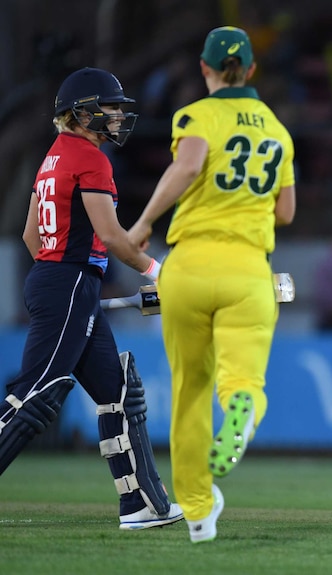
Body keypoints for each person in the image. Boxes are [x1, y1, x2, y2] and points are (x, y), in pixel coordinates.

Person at [128, 26, 297, 543]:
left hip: (190, 267)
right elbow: (286, 212)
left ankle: (199, 513)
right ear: (250, 70)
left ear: (204, 69)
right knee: (243, 380)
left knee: (190, 392)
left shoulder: (198, 115)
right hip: (248, 270)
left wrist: (144, 223)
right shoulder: (278, 131)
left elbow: (190, 163)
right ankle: (242, 414)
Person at [0, 67, 183, 530]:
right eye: (110, 107)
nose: (119, 115)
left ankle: (142, 504)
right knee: (38, 392)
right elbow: (113, 236)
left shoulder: (53, 157)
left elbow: (29, 235)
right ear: (80, 114)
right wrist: (159, 273)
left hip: (59, 280)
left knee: (119, 394)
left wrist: (64, 274)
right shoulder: (90, 158)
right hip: (68, 284)